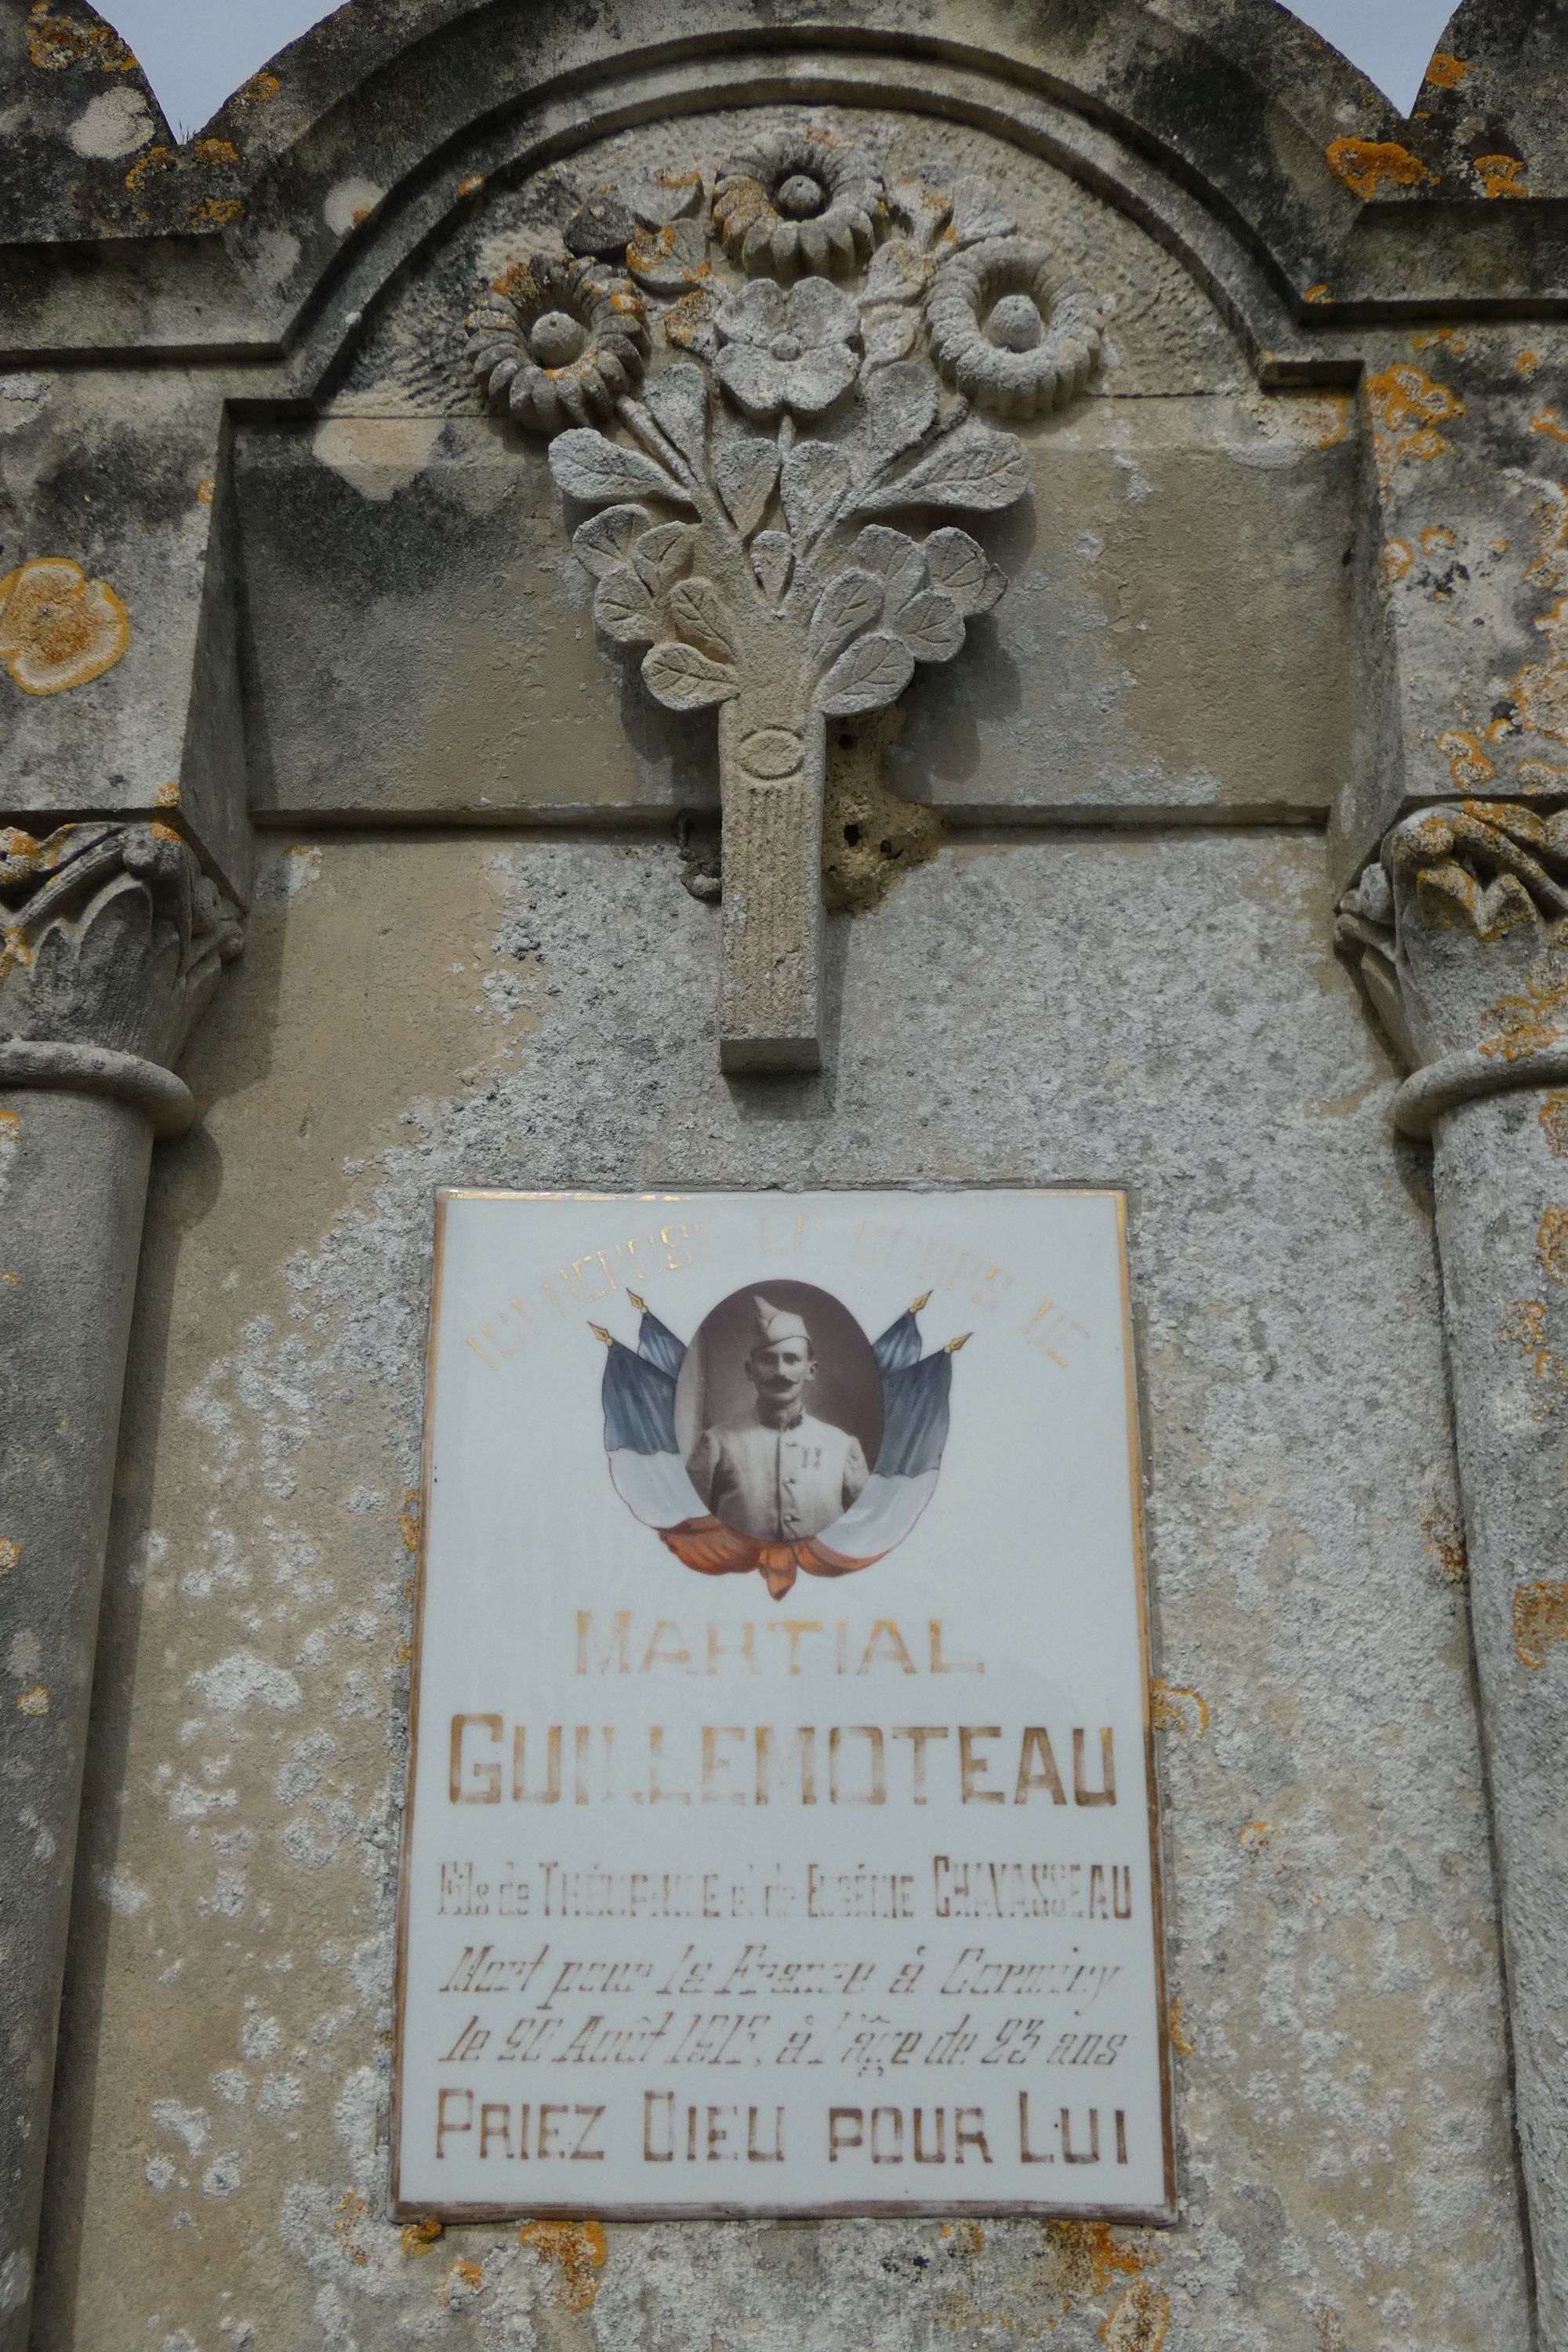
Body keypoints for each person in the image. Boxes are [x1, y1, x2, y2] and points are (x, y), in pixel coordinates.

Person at [688, 1296, 869, 1541]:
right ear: (750, 1371)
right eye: (767, 1360)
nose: (780, 1372)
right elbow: (691, 1529)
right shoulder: (716, 1444)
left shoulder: (843, 1447)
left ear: (811, 1371)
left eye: (792, 1359)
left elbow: (866, 1531)